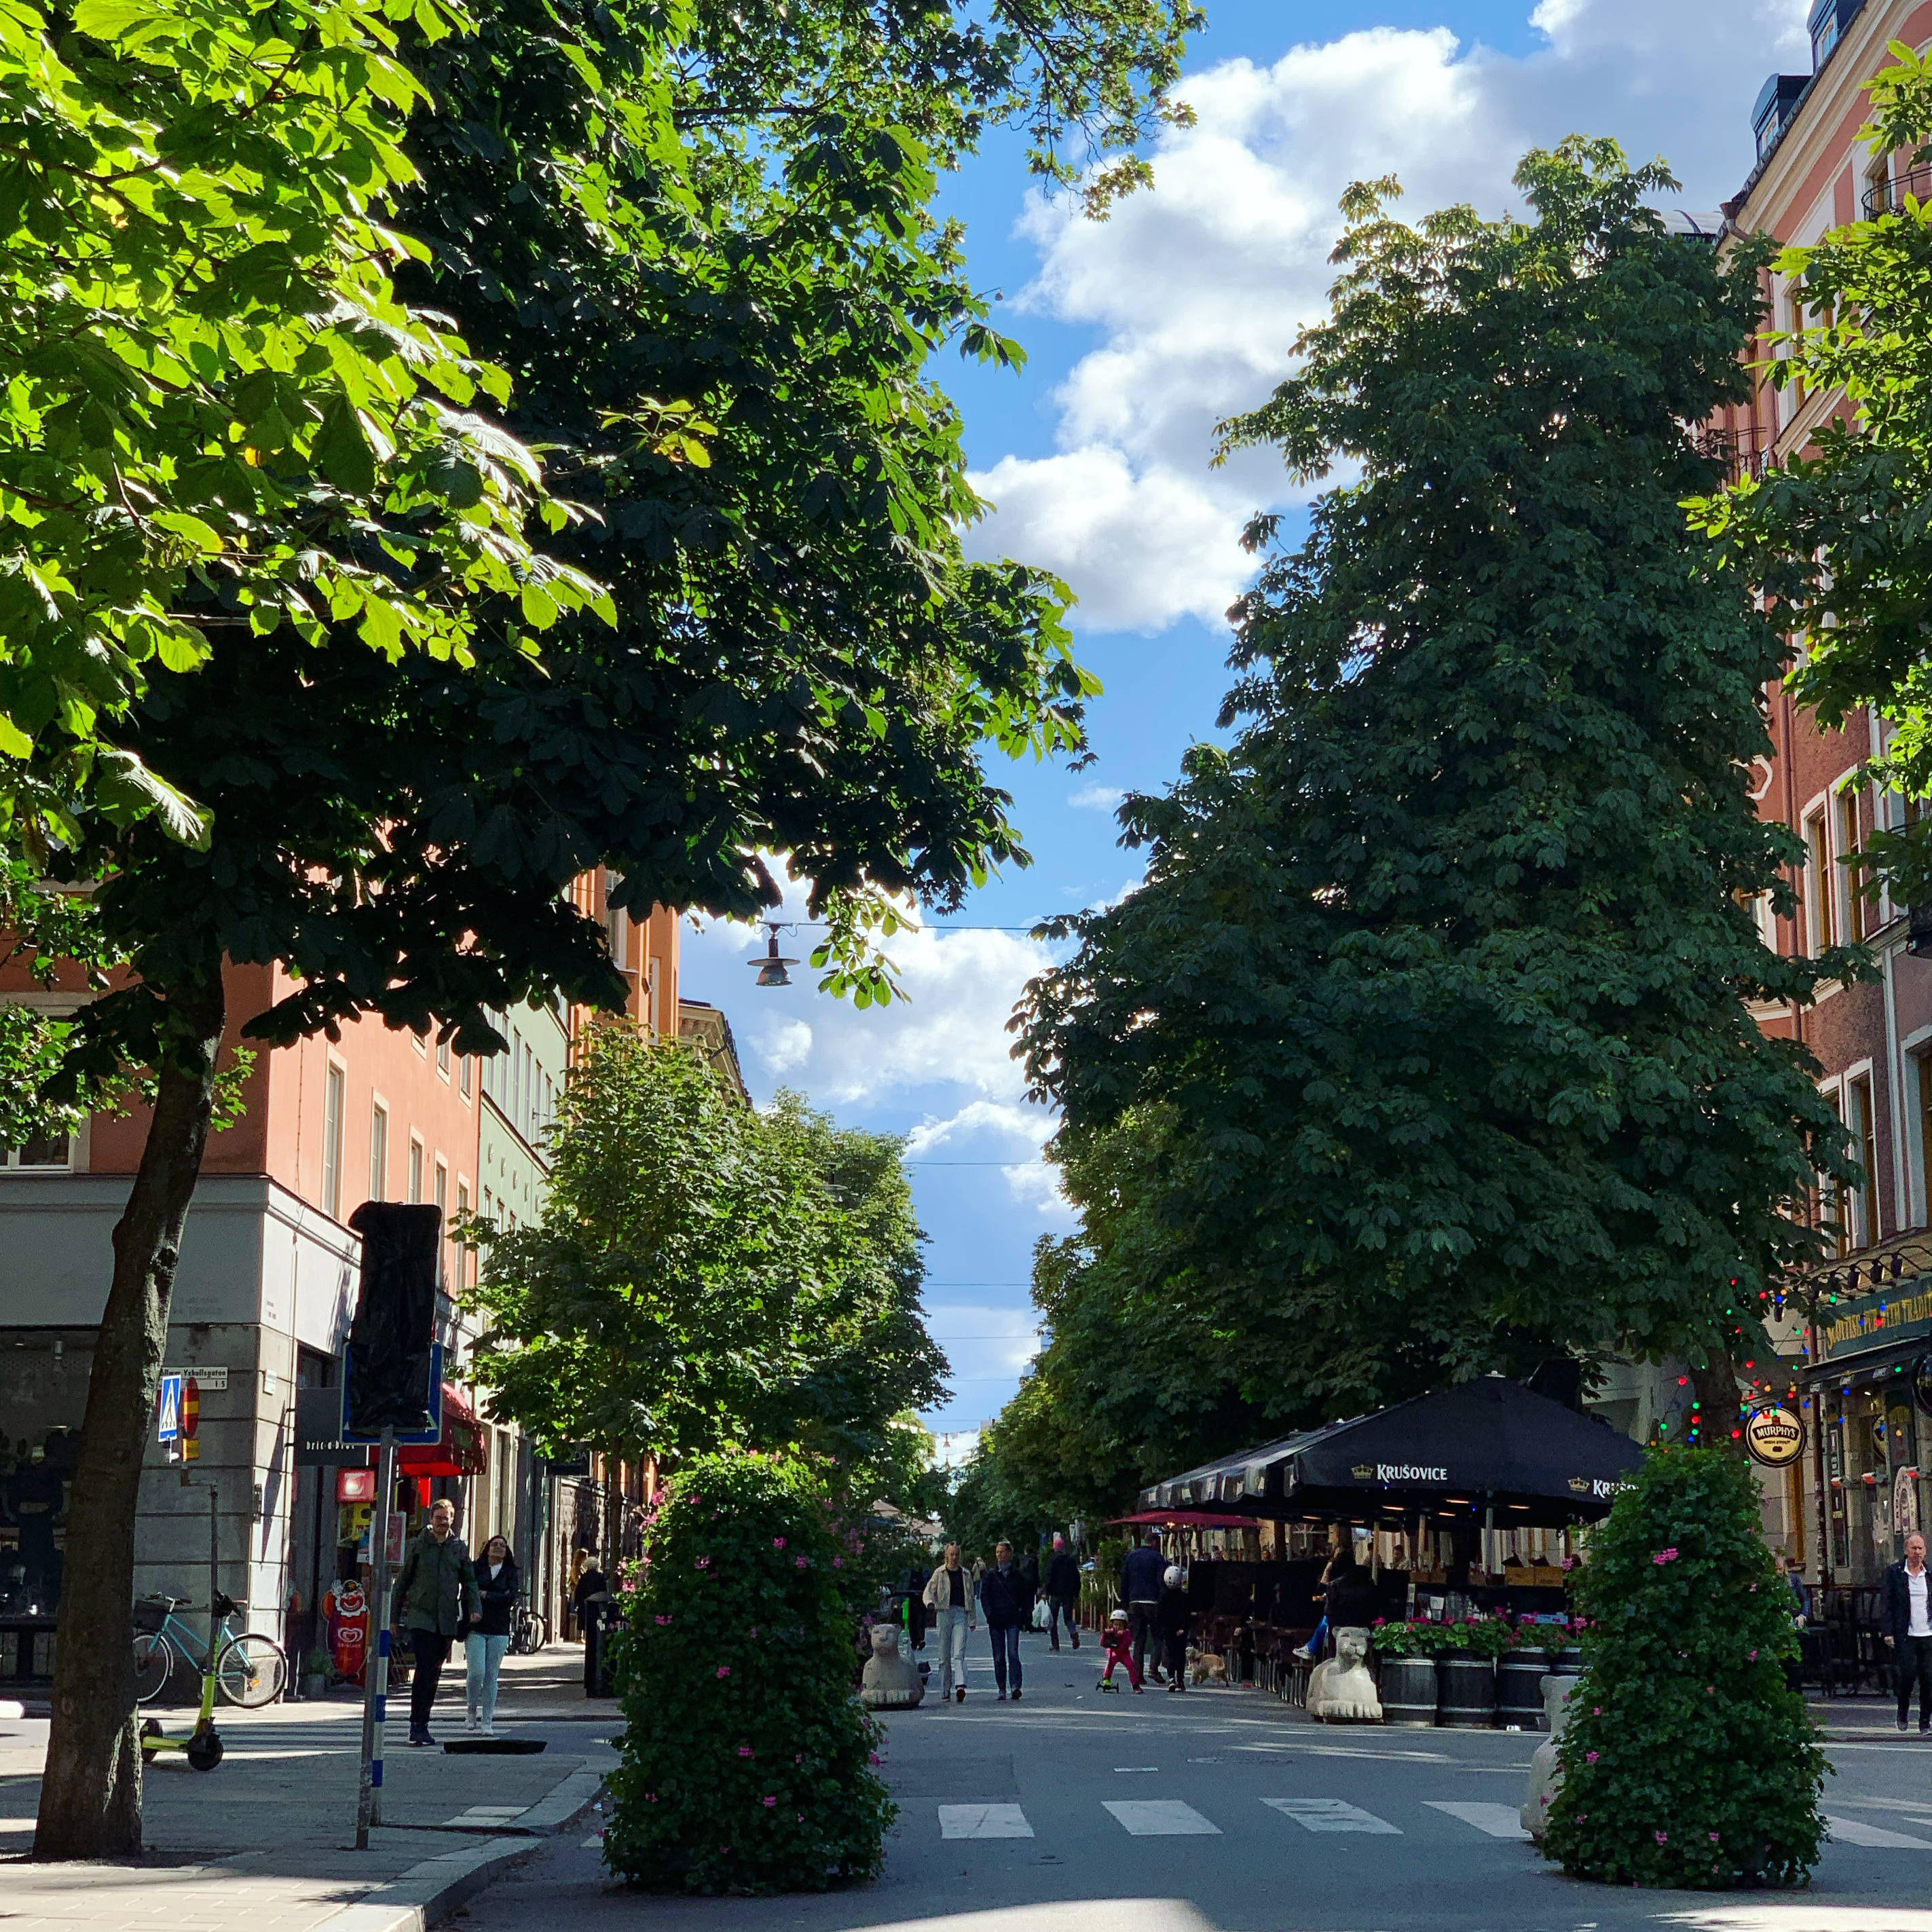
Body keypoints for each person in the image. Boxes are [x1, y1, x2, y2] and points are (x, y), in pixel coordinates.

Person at [392, 1497, 480, 1747]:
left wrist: (474, 1609)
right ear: (431, 1519)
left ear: (452, 1519)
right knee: (424, 1668)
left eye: (447, 1518)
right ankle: (416, 1725)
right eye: (439, 1518)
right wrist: (393, 1618)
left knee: (434, 1672)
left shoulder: (458, 1547)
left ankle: (424, 1723)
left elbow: (470, 1581)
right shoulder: (419, 1545)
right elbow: (403, 1583)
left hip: (446, 1618)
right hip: (422, 1617)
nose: (443, 1522)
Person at [466, 1534, 519, 1736]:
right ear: (487, 1549)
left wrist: (486, 1595)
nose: (498, 1548)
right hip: (476, 1626)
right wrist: (489, 1597)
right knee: (476, 1672)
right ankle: (471, 1708)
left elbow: (510, 1598)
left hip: (499, 1629)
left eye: (502, 1546)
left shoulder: (510, 1572)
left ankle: (487, 1720)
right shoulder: (476, 1568)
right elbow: (469, 1593)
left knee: (491, 1676)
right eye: (494, 1544)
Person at [1884, 1530, 1932, 1734]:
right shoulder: (1895, 1573)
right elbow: (1886, 1604)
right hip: (1906, 1634)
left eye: (1921, 1548)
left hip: (1928, 1633)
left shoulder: (1929, 1574)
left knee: (1929, 1678)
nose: (1917, 1552)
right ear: (1906, 1550)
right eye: (1913, 1548)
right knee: (1909, 1674)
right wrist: (1888, 1631)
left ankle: (1924, 1721)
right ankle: (1902, 1712)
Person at [923, 1542, 976, 1703]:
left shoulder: (965, 1574)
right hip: (944, 1613)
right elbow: (928, 1591)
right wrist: (930, 1603)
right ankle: (945, 1689)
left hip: (961, 1613)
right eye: (951, 1555)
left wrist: (972, 1619)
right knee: (943, 1655)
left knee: (959, 1652)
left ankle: (960, 1685)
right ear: (946, 1556)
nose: (954, 1558)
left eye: (957, 1555)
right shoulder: (939, 1573)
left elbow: (971, 1598)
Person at [980, 1540, 1026, 1702]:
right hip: (996, 1620)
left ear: (1009, 1554)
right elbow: (984, 1596)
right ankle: (1001, 1688)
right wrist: (989, 1614)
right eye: (998, 1552)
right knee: (999, 1656)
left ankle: (1016, 1686)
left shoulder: (1017, 1575)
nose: (1000, 1555)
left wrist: (1023, 1614)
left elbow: (1025, 1596)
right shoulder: (991, 1576)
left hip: (1013, 1618)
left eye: (1003, 1552)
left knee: (1013, 1653)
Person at [1119, 1530, 1166, 1684]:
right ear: (1155, 1542)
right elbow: (1162, 1581)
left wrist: (1125, 1602)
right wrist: (1162, 1600)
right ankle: (1153, 1668)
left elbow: (1124, 1580)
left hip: (1135, 1601)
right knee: (1158, 1636)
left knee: (1139, 1638)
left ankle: (1138, 1673)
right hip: (1153, 1602)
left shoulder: (1132, 1556)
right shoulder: (1158, 1558)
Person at [1157, 1563, 1190, 1693]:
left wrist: (1163, 1628)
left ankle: (1171, 1678)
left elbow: (1160, 1615)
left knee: (1170, 1653)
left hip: (1168, 1630)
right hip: (1181, 1629)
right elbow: (1187, 1615)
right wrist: (1184, 1627)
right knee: (1181, 1654)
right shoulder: (1184, 1597)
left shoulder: (1163, 1597)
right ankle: (1180, 1679)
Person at [1045, 1535, 1081, 1652]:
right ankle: (1073, 1632)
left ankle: (1055, 1644)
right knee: (1068, 1618)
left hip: (1055, 1593)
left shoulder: (1053, 1560)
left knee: (1053, 1620)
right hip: (1068, 1594)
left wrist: (1047, 1591)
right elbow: (1077, 1577)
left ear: (1055, 1548)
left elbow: (1049, 1576)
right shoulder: (1070, 1561)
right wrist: (1076, 1592)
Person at [1099, 1608, 1143, 1692]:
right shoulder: (1111, 1632)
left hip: (1124, 1653)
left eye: (1120, 1625)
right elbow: (1103, 1644)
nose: (1118, 1627)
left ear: (1125, 1625)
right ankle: (1106, 1679)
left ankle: (1136, 1685)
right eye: (1116, 1625)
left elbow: (1129, 1642)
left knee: (1131, 1666)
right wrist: (1105, 1635)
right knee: (1111, 1661)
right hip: (1113, 1651)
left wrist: (1124, 1635)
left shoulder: (1126, 1633)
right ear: (1112, 1624)